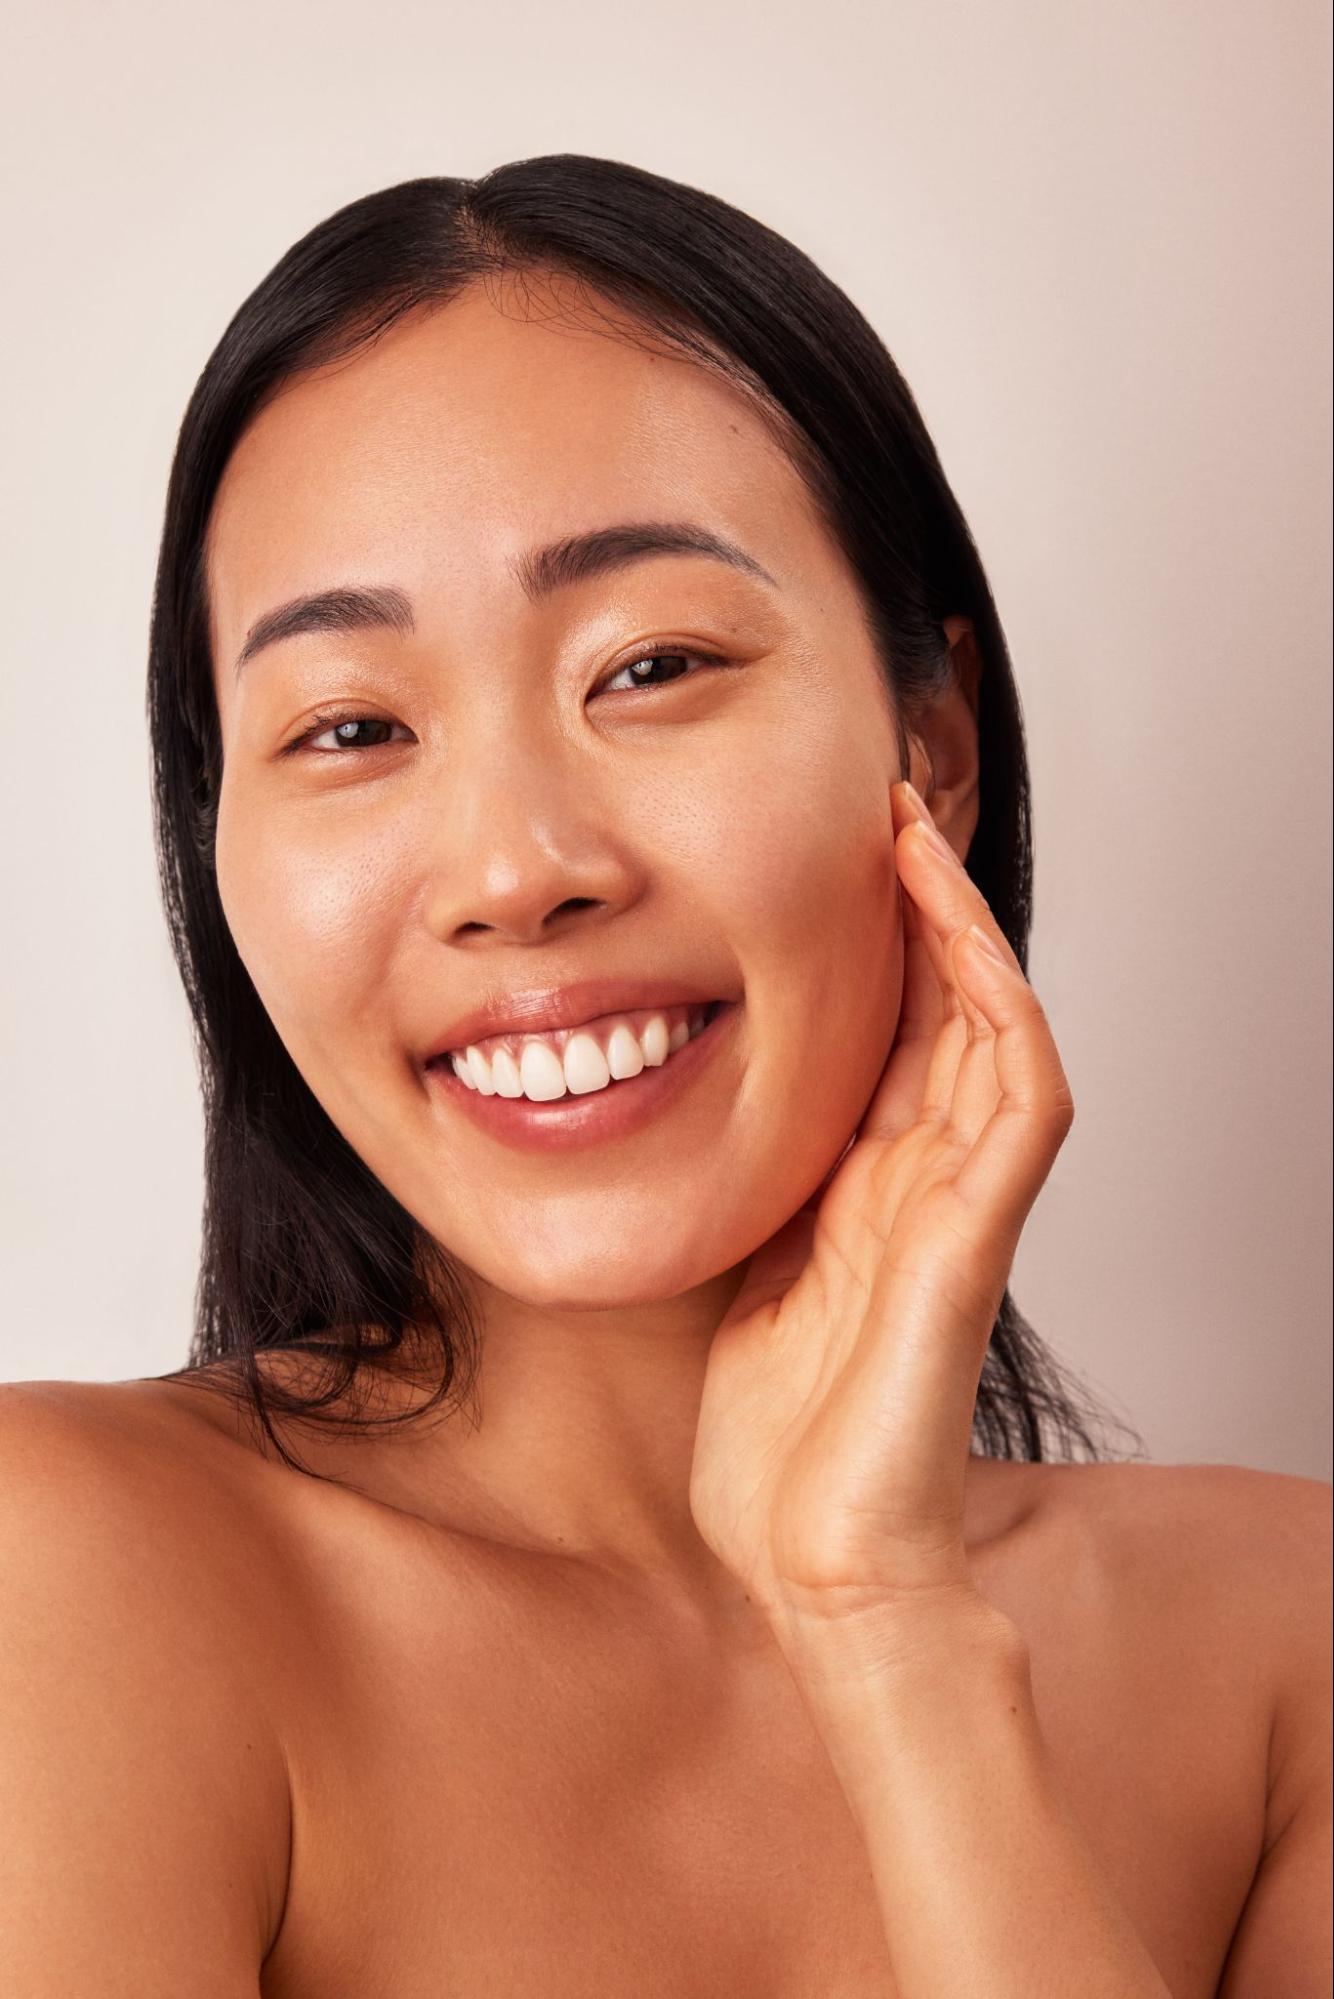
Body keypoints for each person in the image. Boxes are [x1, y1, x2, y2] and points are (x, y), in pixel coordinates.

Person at [2, 155, 1328, 1995]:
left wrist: (887, 1628)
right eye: (352, 725)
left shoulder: (1282, 1651)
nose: (513, 867)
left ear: (930, 746)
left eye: (649, 667)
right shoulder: (69, 1577)